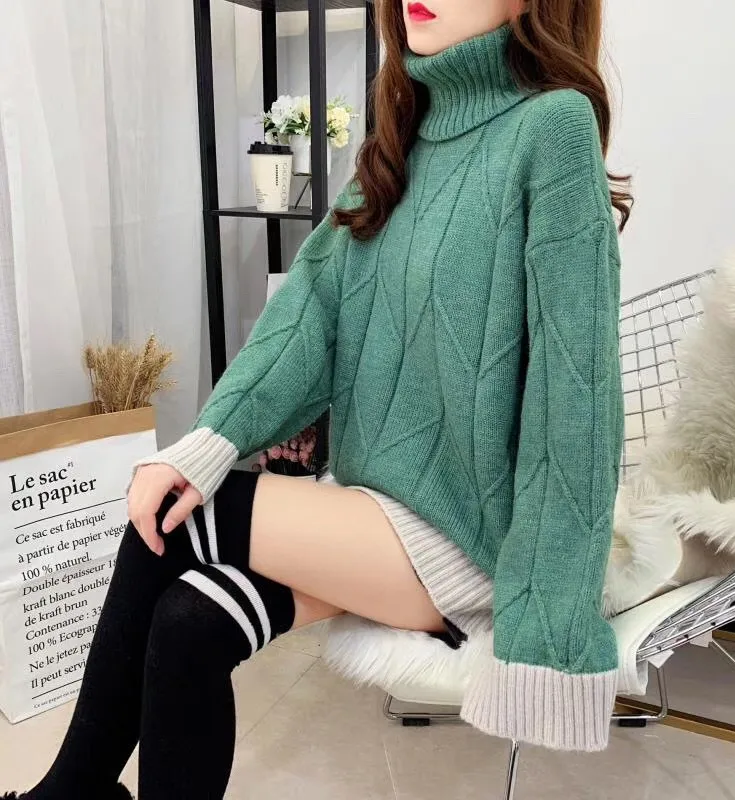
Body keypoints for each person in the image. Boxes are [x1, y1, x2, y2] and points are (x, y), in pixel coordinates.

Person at [4, 0, 631, 797]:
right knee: (190, 621)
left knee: (175, 521)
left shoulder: (552, 128)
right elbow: (310, 313)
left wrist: (546, 627)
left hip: (469, 533)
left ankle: (70, 792)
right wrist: (211, 441)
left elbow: (575, 407)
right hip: (376, 509)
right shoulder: (403, 134)